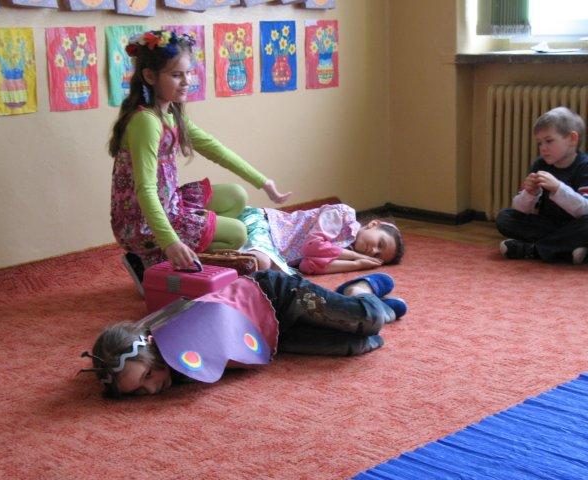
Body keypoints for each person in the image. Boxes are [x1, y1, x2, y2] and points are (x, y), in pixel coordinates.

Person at [109, 30, 291, 295]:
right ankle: (153, 261)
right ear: (149, 76)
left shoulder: (170, 114)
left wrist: (264, 182)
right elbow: (145, 190)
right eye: (176, 75)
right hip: (141, 223)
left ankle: (161, 256)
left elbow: (215, 149)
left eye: (188, 73)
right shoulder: (146, 121)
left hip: (169, 203)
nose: (187, 82)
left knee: (236, 196)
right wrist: (170, 242)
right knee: (237, 234)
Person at [79, 271, 408, 398]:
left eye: (148, 375)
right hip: (273, 338)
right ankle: (372, 309)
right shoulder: (159, 364)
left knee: (369, 321)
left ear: (151, 348)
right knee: (360, 344)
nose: (152, 388)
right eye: (140, 391)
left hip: (276, 296)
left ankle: (361, 290)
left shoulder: (170, 336)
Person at [496, 107, 588, 264]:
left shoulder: (584, 166)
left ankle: (532, 250)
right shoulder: (540, 164)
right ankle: (566, 248)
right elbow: (519, 209)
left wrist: (558, 188)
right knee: (505, 218)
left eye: (549, 141)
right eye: (540, 143)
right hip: (548, 224)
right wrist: (530, 193)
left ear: (572, 139)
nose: (543, 148)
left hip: (576, 224)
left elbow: (585, 209)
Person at [237, 204, 404, 274]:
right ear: (374, 224)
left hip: (276, 251)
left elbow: (308, 265)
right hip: (265, 225)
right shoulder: (343, 215)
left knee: (272, 275)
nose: (373, 251)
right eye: (380, 243)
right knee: (260, 263)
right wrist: (356, 256)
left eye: (377, 256)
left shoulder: (345, 249)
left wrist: (356, 265)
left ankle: (230, 252)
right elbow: (312, 246)